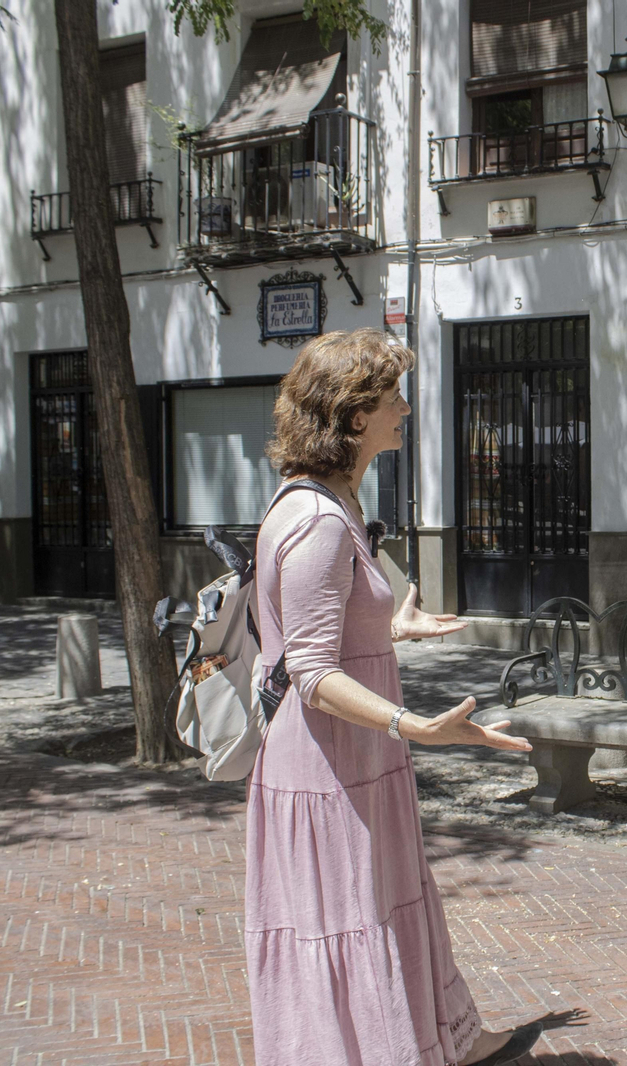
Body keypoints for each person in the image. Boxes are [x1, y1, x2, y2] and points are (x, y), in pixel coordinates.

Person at [247, 329, 545, 1066]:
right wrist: (416, 726)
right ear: (354, 418)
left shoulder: (327, 499)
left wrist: (391, 624)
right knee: (352, 918)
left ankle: (446, 1036)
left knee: (381, 906)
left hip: (349, 763)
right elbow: (313, 672)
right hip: (331, 767)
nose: (405, 410)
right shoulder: (317, 520)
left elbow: (319, 625)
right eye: (392, 399)